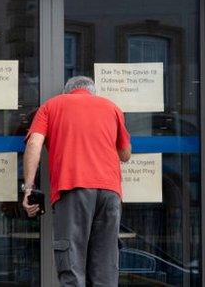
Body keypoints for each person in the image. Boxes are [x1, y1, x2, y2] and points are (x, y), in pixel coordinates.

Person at [21, 75, 131, 287]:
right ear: (92, 92)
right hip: (109, 192)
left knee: (72, 265)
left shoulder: (51, 106)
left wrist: (29, 187)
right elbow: (125, 154)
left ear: (67, 91)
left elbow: (34, 143)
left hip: (73, 188)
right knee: (105, 268)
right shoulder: (111, 108)